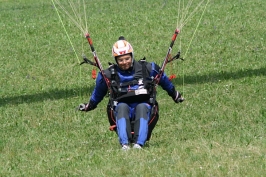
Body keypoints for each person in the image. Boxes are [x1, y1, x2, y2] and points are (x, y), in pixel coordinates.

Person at [79, 36, 184, 150]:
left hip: (146, 107)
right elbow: (98, 93)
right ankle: (125, 144)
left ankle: (139, 144)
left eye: (127, 58)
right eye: (121, 60)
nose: (124, 62)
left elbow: (163, 80)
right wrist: (89, 105)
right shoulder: (109, 75)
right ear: (116, 60)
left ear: (132, 56)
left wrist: (175, 95)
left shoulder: (147, 69)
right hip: (120, 109)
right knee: (122, 107)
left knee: (142, 108)